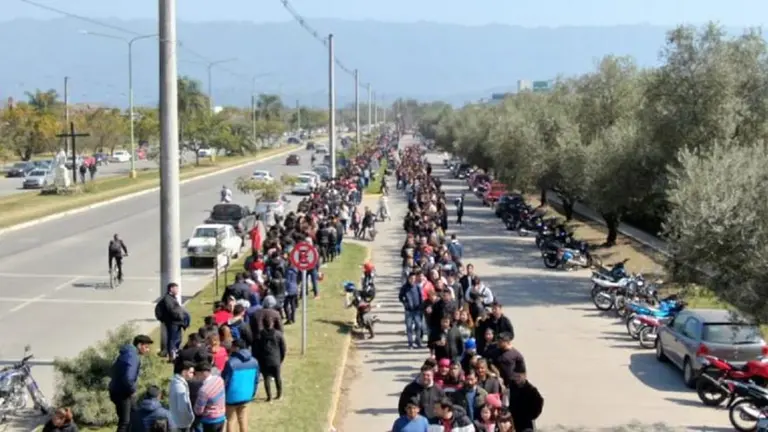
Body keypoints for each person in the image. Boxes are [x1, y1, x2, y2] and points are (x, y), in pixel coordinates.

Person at [109, 335, 154, 432]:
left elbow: (113, 370)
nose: (147, 350)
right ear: (139, 345)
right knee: (125, 422)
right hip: (123, 393)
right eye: (146, 347)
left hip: (116, 389)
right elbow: (128, 378)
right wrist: (132, 390)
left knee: (134, 416)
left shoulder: (126, 353)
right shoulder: (133, 357)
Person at [221, 339, 259, 432]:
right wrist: (252, 393)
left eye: (232, 347)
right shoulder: (254, 362)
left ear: (236, 348)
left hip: (231, 397)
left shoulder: (230, 363)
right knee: (243, 420)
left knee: (230, 421)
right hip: (247, 395)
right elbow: (256, 380)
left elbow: (225, 380)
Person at [252, 317, 286, 401]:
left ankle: (269, 396)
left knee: (266, 378)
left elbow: (255, 349)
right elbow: (283, 348)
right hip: (275, 359)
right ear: (272, 324)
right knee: (277, 377)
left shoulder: (259, 335)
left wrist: (258, 359)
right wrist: (281, 358)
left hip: (264, 360)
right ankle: (279, 394)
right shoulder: (278, 334)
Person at [156, 282, 187, 361]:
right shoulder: (168, 299)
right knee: (173, 340)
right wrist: (180, 317)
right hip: (173, 323)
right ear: (171, 289)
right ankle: (172, 356)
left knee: (177, 339)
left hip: (177, 322)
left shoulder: (172, 298)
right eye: (176, 288)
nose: (177, 290)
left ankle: (175, 353)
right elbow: (172, 311)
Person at [193, 362, 227, 431]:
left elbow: (198, 411)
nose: (195, 376)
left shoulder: (203, 390)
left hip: (210, 420)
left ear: (202, 373)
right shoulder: (219, 379)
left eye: (196, 374)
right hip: (221, 416)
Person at [168, 361, 195, 432]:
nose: (193, 375)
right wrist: (190, 418)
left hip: (177, 421)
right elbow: (182, 408)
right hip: (182, 423)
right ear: (184, 372)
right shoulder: (180, 387)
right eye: (191, 372)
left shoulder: (175, 381)